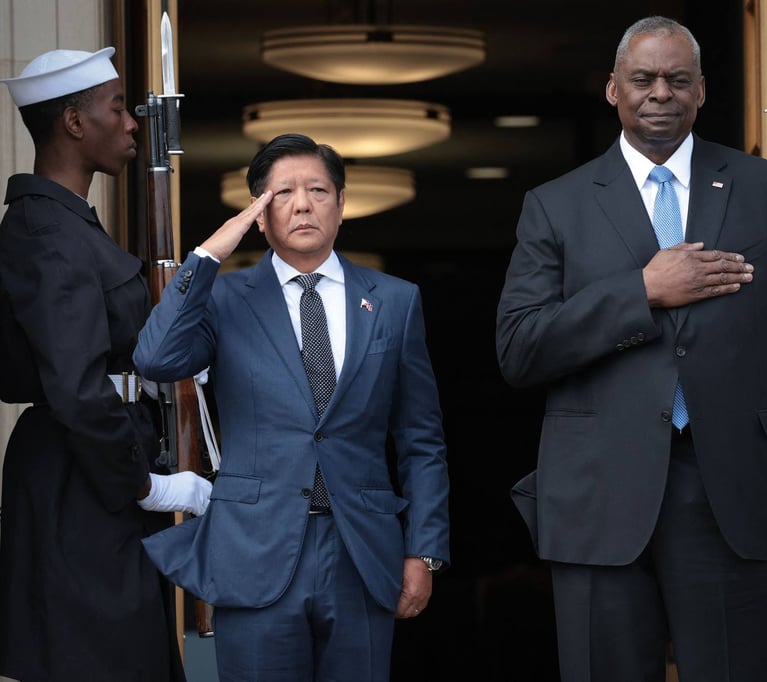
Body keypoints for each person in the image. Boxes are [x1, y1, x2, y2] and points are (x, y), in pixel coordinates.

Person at [496, 16, 767, 682]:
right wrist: (642, 291)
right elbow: (519, 347)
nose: (660, 94)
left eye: (678, 80)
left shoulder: (764, 191)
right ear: (613, 89)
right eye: (643, 79)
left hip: (731, 493)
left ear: (702, 90)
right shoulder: (556, 205)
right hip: (599, 498)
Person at [133, 132, 451, 681]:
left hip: (361, 553)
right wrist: (208, 256)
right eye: (283, 193)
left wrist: (424, 551)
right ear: (259, 214)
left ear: (341, 203)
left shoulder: (395, 301)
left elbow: (421, 439)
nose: (303, 204)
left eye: (318, 190)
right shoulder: (225, 298)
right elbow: (156, 358)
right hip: (254, 550)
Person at [0, 47, 211, 681]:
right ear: (73, 121)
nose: (130, 123)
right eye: (116, 108)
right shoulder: (48, 232)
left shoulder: (70, 225)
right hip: (81, 486)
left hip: (96, 478)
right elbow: (78, 386)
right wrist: (146, 486)